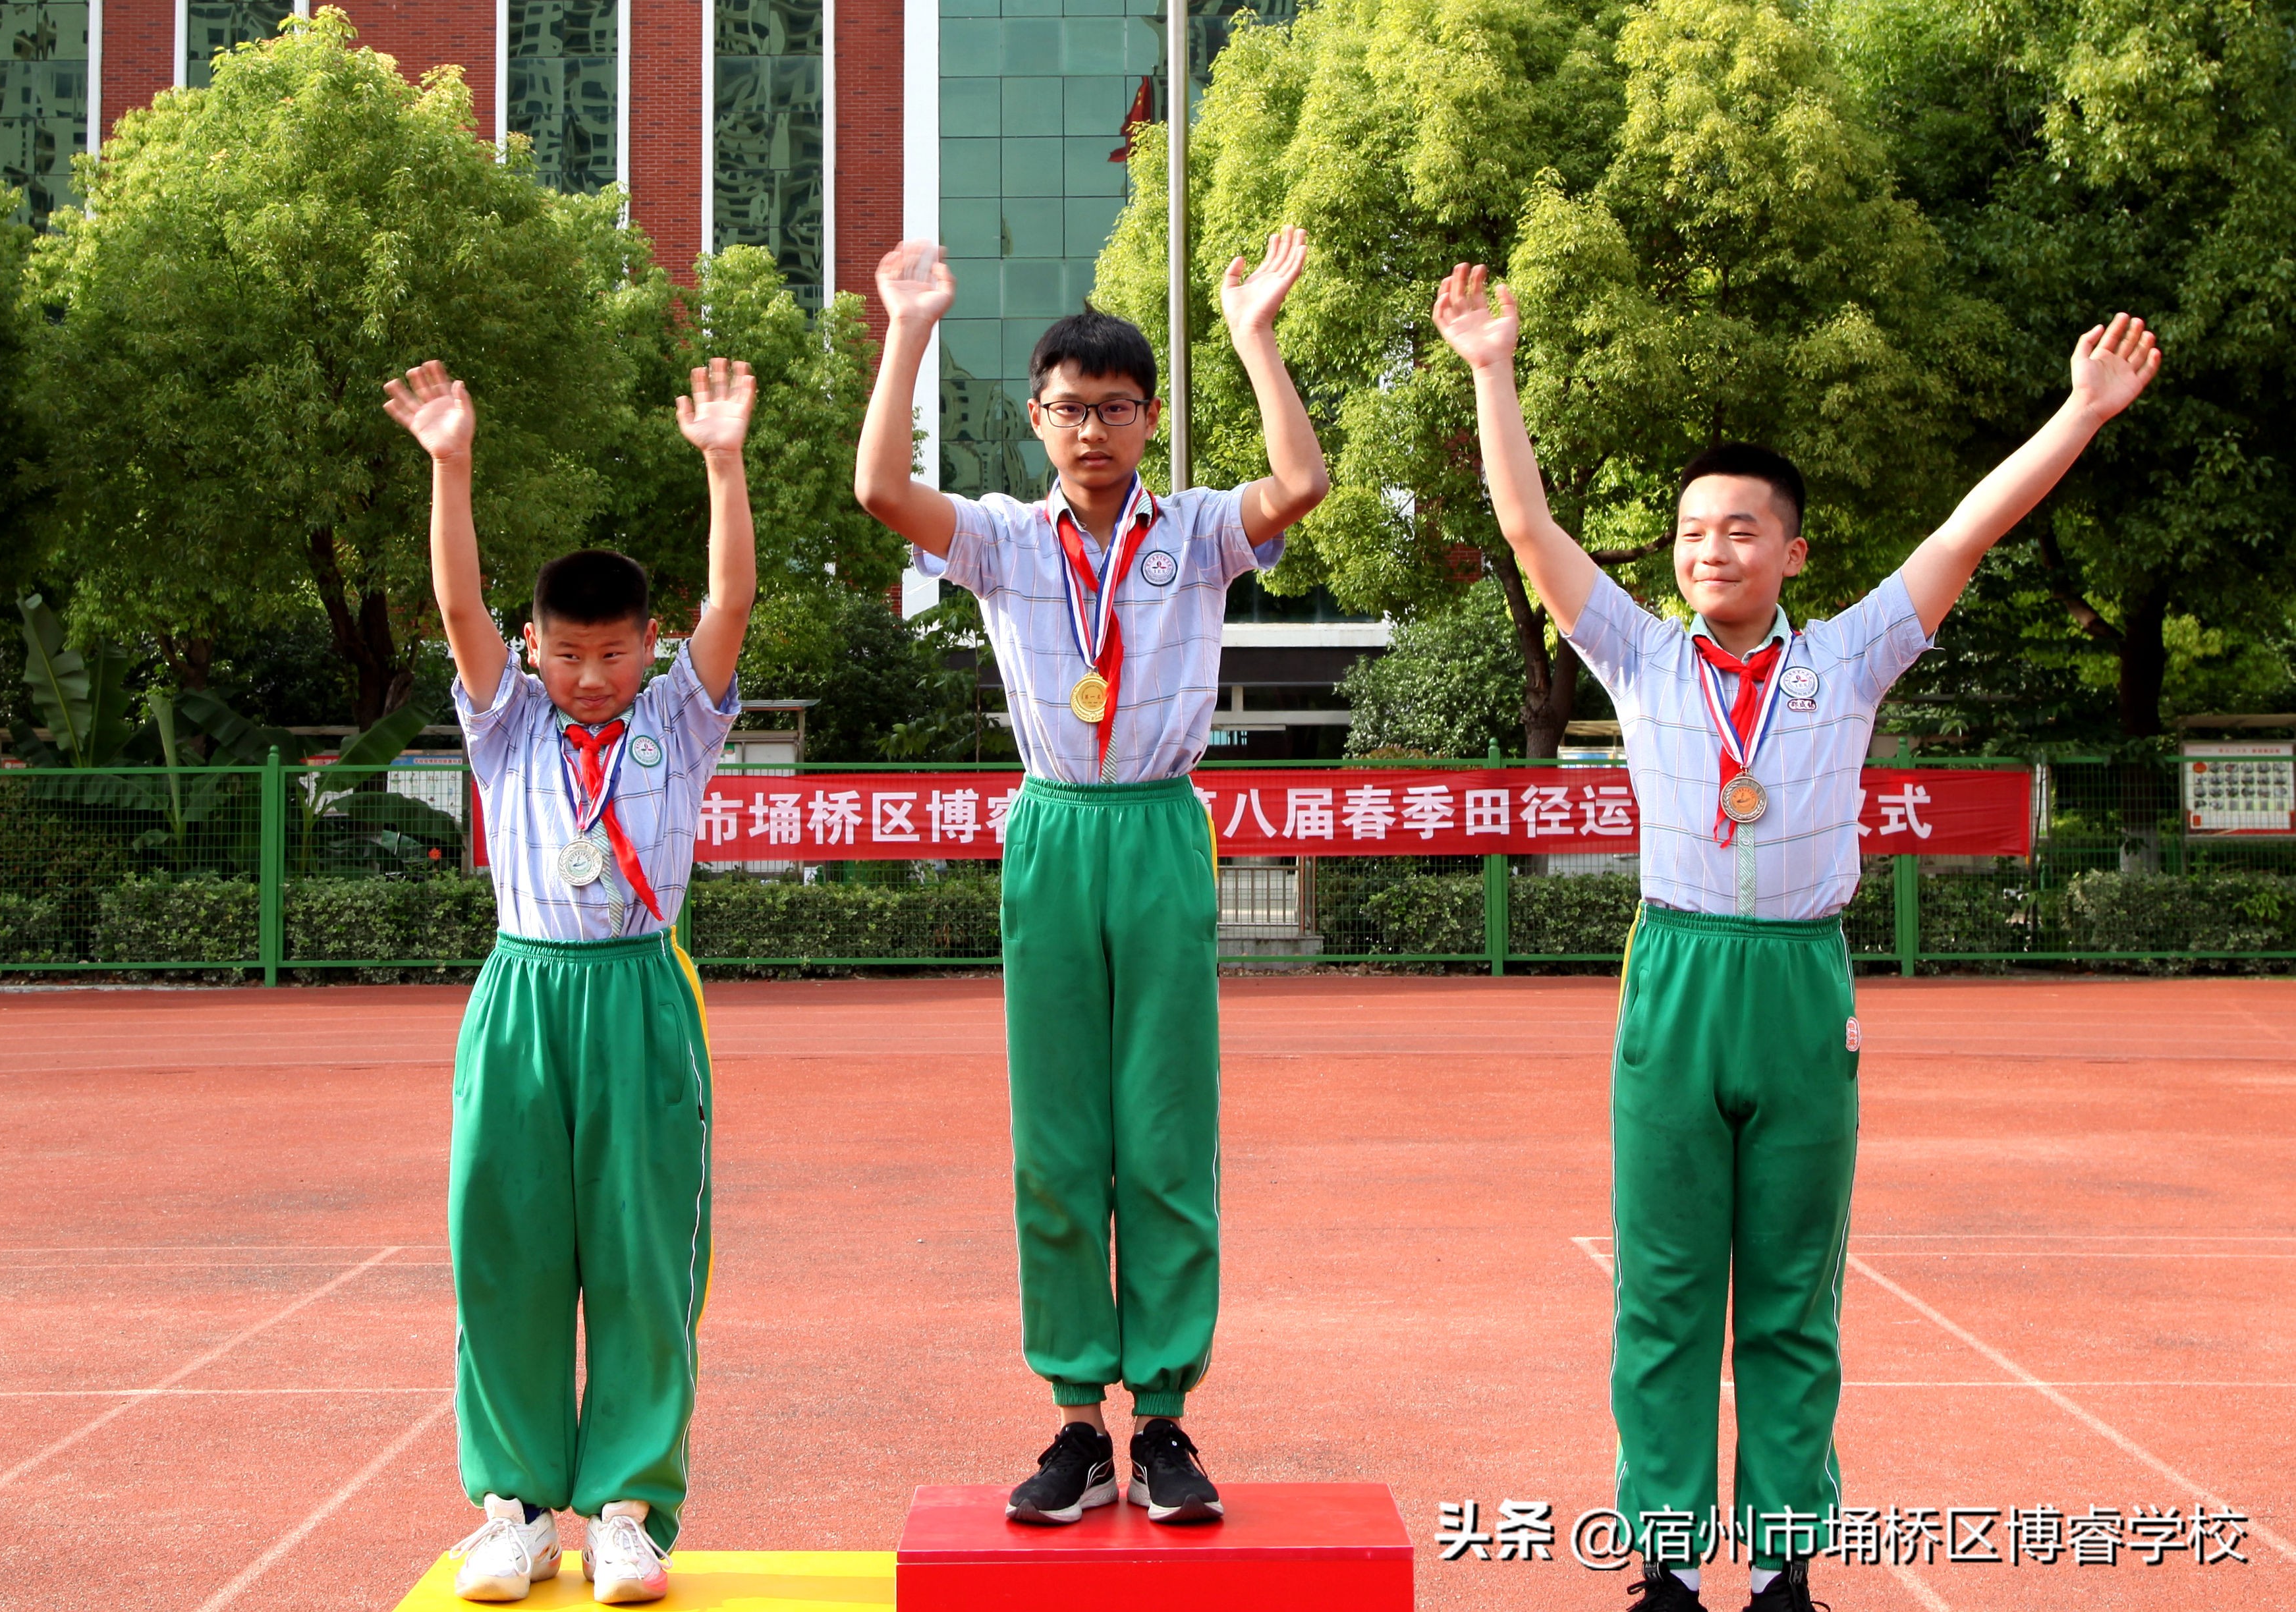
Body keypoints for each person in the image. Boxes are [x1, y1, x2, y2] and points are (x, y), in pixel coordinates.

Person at [1432, 267, 2158, 1612]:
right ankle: (1658, 1566)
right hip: (1678, 975)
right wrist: (1491, 368)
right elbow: (1529, 531)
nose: (1716, 551)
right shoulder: (1639, 658)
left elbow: (1967, 529)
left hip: (1802, 980)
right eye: (1696, 532)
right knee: (1662, 1291)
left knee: (1788, 1295)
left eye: (1746, 531)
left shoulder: (1852, 657)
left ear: (1793, 552)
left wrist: (2082, 414)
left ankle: (1779, 1570)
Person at [853, 235, 1330, 1524]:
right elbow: (882, 492)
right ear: (1037, 420)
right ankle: (1075, 1422)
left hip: (1161, 825)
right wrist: (909, 331)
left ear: (1150, 418)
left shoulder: (1200, 532)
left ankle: (1166, 1421)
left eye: (1117, 408)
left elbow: (1301, 478)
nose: (1094, 430)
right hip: (1055, 828)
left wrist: (1255, 333)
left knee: (1163, 1128)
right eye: (1070, 408)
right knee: (1060, 1136)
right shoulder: (1007, 539)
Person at [383, 356, 760, 1603]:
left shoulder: (677, 720)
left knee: (645, 1259)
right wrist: (451, 466)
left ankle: (630, 1511)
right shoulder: (509, 725)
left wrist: (722, 463)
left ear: (646, 646)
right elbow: (454, 612)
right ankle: (513, 1507)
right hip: (522, 998)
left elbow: (735, 601)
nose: (589, 674)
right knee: (507, 1249)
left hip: (642, 1000)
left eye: (612, 652)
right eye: (567, 652)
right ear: (535, 648)